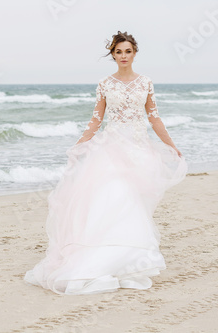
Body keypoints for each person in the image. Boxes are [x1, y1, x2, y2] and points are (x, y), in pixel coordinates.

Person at [24, 31, 188, 295]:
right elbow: (96, 120)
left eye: (128, 51)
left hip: (138, 150)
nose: (123, 56)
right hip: (111, 150)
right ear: (112, 54)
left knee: (133, 203)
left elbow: (154, 118)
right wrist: (79, 145)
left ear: (135, 53)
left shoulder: (145, 82)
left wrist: (171, 145)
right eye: (118, 51)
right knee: (113, 198)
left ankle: (129, 263)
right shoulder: (104, 84)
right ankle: (102, 259)